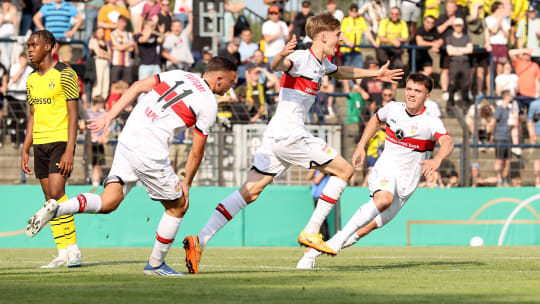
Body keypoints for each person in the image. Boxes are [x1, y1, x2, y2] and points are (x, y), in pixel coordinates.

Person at [182, 12, 403, 275]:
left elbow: (342, 72)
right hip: (290, 136)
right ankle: (312, 231)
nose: (341, 38)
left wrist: (374, 73)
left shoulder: (322, 63)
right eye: (337, 34)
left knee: (250, 192)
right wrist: (278, 56)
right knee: (345, 171)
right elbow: (278, 65)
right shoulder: (300, 58)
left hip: (275, 137)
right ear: (324, 36)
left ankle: (200, 241)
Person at [25, 56, 238, 276]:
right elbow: (197, 151)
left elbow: (137, 86)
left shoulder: (179, 74)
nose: (232, 87)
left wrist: (109, 115)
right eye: (231, 82)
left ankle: (58, 209)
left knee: (109, 201)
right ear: (219, 78)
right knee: (178, 206)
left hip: (128, 138)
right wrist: (187, 182)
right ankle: (155, 265)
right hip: (150, 149)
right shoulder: (209, 104)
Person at [297, 73, 454, 269]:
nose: (411, 94)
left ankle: (312, 253)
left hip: (406, 185)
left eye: (418, 91)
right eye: (409, 89)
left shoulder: (430, 121)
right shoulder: (393, 109)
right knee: (383, 200)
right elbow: (375, 119)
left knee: (365, 230)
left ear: (427, 96)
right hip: (386, 169)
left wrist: (438, 159)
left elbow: (447, 142)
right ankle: (337, 241)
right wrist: (361, 146)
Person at [21, 30, 82, 268]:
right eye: (28, 45)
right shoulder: (30, 79)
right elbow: (32, 116)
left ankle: (74, 249)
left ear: (49, 47)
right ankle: (63, 252)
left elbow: (73, 115)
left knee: (57, 194)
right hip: (40, 144)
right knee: (49, 200)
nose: (30, 49)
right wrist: (26, 148)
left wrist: (69, 149)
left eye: (34, 44)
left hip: (60, 141)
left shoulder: (66, 74)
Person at [340, 3, 379, 93]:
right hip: (346, 50)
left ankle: (361, 91)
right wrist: (347, 42)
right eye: (352, 10)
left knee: (359, 70)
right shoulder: (345, 20)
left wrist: (373, 42)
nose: (354, 12)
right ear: (349, 11)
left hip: (356, 50)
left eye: (355, 11)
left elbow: (366, 31)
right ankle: (347, 92)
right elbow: (341, 33)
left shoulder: (360, 20)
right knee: (345, 71)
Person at [446, 17, 473, 113]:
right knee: (452, 84)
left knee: (465, 85)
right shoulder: (450, 37)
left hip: (465, 64)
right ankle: (450, 104)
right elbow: (450, 51)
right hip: (454, 63)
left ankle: (465, 104)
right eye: (456, 25)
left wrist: (456, 49)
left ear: (462, 26)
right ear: (453, 26)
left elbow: (470, 50)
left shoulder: (466, 37)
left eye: (460, 25)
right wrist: (463, 50)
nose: (458, 27)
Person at [375, 7, 409, 80]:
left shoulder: (402, 23)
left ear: (399, 14)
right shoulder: (384, 22)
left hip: (395, 48)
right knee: (384, 65)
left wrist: (397, 40)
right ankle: (384, 85)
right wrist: (392, 41)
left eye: (396, 14)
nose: (394, 15)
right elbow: (381, 37)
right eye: (392, 13)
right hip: (383, 48)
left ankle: (394, 87)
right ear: (390, 14)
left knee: (399, 65)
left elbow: (405, 38)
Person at [488, 90, 513, 187]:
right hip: (500, 137)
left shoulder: (509, 110)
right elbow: (493, 122)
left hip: (508, 137)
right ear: (506, 97)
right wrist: (492, 135)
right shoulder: (499, 109)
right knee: (499, 159)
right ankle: (499, 179)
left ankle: (505, 179)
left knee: (507, 161)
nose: (511, 98)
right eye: (510, 96)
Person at [86, 97, 109, 188]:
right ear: (97, 103)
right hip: (91, 144)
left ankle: (97, 182)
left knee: (100, 162)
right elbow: (86, 129)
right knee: (93, 163)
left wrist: (104, 136)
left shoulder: (103, 114)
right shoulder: (87, 113)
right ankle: (93, 182)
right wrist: (95, 137)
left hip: (100, 145)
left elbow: (108, 127)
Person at [485, 1, 511, 76]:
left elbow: (507, 35)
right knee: (490, 69)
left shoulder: (505, 20)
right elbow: (494, 30)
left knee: (500, 69)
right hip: (493, 45)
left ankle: (498, 86)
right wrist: (499, 20)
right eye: (501, 8)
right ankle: (490, 87)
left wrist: (502, 26)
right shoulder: (488, 19)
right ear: (496, 9)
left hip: (502, 45)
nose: (503, 10)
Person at [110, 15, 136, 84]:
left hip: (128, 63)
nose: (121, 24)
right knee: (114, 84)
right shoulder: (113, 34)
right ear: (117, 23)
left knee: (126, 85)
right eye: (120, 22)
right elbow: (120, 47)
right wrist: (130, 44)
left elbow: (131, 49)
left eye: (123, 22)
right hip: (116, 62)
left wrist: (121, 47)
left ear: (126, 23)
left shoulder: (129, 34)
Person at [306, 169, 331, 241]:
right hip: (316, 196)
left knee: (321, 219)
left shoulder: (324, 170)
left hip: (322, 196)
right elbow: (308, 177)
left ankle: (324, 238)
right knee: (320, 218)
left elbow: (317, 181)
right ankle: (323, 238)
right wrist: (313, 170)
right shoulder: (316, 169)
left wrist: (313, 177)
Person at [89, 27, 111, 100]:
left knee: (106, 82)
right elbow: (98, 52)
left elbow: (110, 54)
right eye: (99, 32)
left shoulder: (105, 42)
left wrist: (104, 53)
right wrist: (106, 54)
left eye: (102, 32)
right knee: (99, 81)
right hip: (98, 61)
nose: (101, 34)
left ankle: (103, 100)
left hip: (106, 62)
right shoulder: (93, 40)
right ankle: (96, 101)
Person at [527, 98, 540, 187]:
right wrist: (532, 135)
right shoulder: (534, 104)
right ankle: (538, 183)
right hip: (538, 135)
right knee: (537, 160)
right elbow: (529, 121)